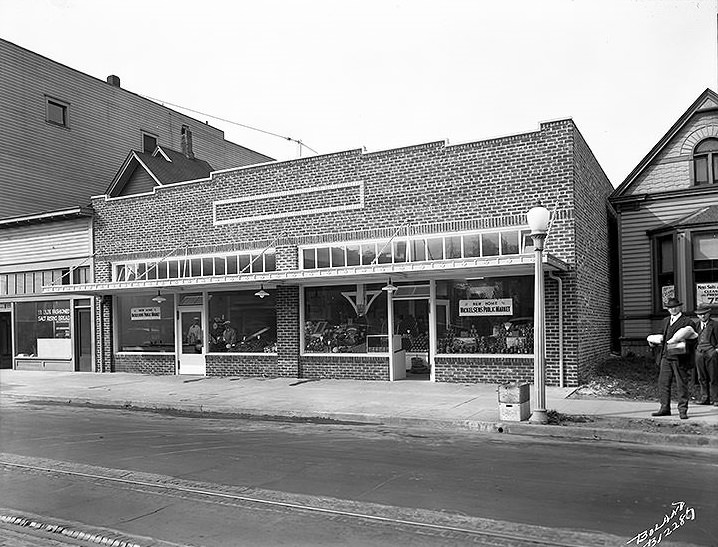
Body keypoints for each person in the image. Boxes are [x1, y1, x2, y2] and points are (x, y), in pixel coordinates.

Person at [650, 297, 697, 419]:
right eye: (670, 307)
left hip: (680, 358)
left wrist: (682, 343)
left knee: (681, 384)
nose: (672, 309)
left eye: (675, 307)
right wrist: (653, 341)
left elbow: (693, 340)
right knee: (663, 383)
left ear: (680, 307)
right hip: (666, 357)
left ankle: (683, 410)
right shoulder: (665, 321)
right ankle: (664, 408)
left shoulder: (687, 321)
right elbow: (661, 337)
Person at [693, 304, 718, 406]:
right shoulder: (696, 325)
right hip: (699, 352)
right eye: (700, 314)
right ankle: (705, 398)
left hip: (711, 352)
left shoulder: (715, 325)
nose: (702, 316)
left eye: (704, 314)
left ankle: (716, 399)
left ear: (709, 313)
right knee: (701, 377)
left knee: (714, 376)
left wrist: (716, 350)